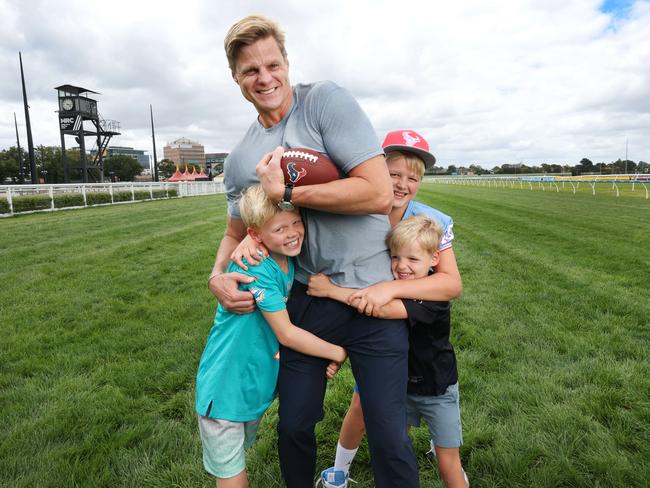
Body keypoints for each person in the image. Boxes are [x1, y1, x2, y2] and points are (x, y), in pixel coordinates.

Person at [208, 15, 420, 488]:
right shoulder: (242, 157)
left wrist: (287, 194)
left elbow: (377, 193)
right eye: (250, 71)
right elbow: (232, 232)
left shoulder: (324, 101)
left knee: (389, 435)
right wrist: (217, 275)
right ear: (235, 77)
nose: (264, 78)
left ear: (286, 62)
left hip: (374, 298)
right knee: (294, 426)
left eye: (272, 64)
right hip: (307, 300)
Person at [309, 130, 467, 488]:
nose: (402, 184)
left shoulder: (431, 221)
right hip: (368, 323)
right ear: (377, 169)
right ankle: (339, 469)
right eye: (393, 174)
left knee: (395, 409)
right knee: (362, 405)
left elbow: (450, 284)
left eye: (412, 178)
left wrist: (389, 288)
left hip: (411, 323)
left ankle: (441, 454)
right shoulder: (359, 211)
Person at [196, 185, 347, 488]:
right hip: (226, 386)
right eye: (279, 228)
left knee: (237, 459)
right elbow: (286, 333)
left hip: (252, 386)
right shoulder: (256, 267)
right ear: (254, 235)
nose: (292, 233)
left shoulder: (287, 261)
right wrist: (336, 352)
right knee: (231, 473)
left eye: (296, 222)